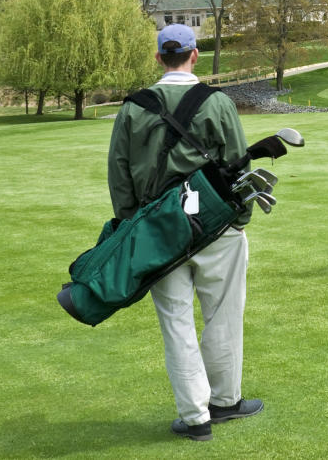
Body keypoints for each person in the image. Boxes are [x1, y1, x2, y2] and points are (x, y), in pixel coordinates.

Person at [107, 24, 263, 441]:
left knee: (176, 321)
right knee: (224, 315)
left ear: (159, 57)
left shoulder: (133, 108)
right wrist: (238, 220)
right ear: (195, 55)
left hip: (157, 230)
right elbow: (239, 164)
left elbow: (120, 176)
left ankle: (196, 419)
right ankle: (226, 401)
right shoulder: (218, 103)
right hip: (217, 227)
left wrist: (129, 226)